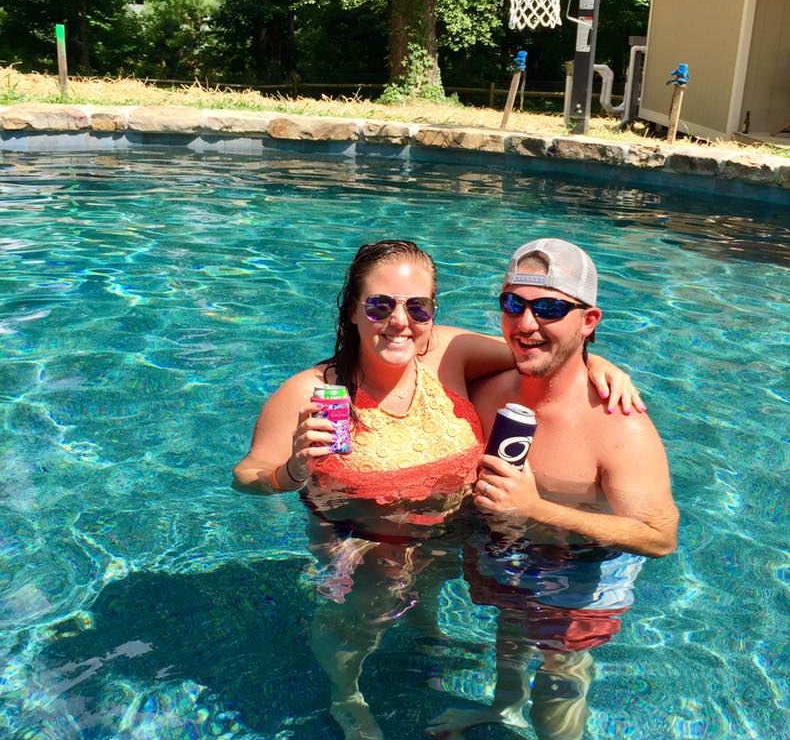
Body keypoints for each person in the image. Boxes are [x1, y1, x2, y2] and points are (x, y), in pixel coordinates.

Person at [232, 239, 643, 740]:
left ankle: (426, 638)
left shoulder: (449, 354)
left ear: (432, 312)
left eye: (417, 307)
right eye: (379, 305)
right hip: (365, 540)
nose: (399, 321)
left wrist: (601, 366)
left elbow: (544, 352)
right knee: (357, 621)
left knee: (444, 607)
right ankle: (347, 696)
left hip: (451, 536)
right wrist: (293, 470)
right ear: (352, 310)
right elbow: (247, 476)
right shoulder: (310, 391)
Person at [430, 237, 678, 740]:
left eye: (549, 308)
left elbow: (659, 537)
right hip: (505, 549)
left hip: (581, 571)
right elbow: (415, 338)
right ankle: (503, 710)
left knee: (558, 690)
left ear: (589, 321)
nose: (526, 323)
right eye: (513, 304)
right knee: (509, 639)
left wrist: (538, 509)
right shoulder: (487, 388)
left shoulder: (619, 425)